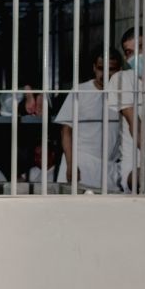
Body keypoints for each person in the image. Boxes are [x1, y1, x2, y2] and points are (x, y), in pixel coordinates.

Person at [54, 47, 124, 191]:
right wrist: (71, 164)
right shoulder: (80, 91)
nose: (105, 74)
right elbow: (66, 131)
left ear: (119, 70)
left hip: (110, 168)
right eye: (100, 68)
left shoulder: (125, 94)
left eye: (111, 69)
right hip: (80, 164)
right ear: (94, 68)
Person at [114, 27, 145, 192]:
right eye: (129, 52)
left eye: (140, 47)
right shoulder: (122, 79)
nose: (136, 56)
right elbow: (136, 126)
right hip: (135, 165)